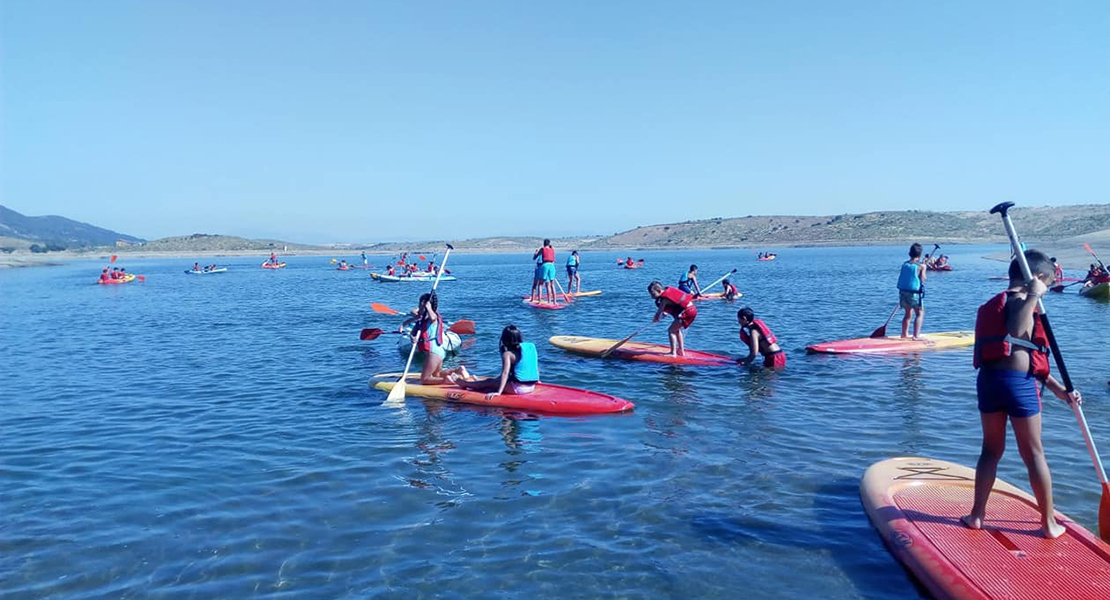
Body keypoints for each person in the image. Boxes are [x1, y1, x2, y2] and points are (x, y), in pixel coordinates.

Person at [963, 250, 1081, 539]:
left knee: (990, 451)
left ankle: (977, 515)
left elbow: (1030, 357)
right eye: (1049, 285)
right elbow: (1017, 330)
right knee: (1033, 453)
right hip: (1017, 385)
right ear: (1038, 279)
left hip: (990, 382)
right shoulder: (1022, 301)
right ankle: (1049, 524)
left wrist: (1059, 390)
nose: (1047, 293)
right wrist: (1034, 296)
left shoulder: (995, 303)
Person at [455, 325, 539, 399]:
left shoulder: (508, 354)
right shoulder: (530, 347)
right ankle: (479, 384)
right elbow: (534, 366)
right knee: (492, 382)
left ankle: (464, 383)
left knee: (489, 382)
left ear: (505, 339)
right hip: (531, 386)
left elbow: (505, 373)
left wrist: (499, 392)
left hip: (518, 389)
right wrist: (538, 381)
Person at [406, 293, 470, 385]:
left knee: (425, 379)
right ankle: (458, 370)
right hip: (440, 351)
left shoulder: (432, 316)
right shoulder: (423, 318)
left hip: (433, 352)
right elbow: (414, 313)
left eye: (419, 304)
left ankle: (446, 380)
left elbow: (433, 318)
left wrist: (427, 307)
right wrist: (412, 337)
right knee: (437, 374)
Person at [648, 280, 697, 357]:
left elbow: (658, 312)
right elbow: (672, 306)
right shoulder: (667, 294)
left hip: (687, 311)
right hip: (692, 309)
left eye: (653, 294)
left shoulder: (664, 299)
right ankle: (681, 350)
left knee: (671, 330)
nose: (652, 297)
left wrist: (656, 318)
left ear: (659, 291)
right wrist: (665, 313)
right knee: (676, 329)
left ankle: (673, 353)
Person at [897, 243, 927, 340]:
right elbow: (923, 279)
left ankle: (904, 334)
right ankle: (916, 336)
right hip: (914, 294)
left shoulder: (905, 264)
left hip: (903, 293)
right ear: (919, 254)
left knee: (908, 314)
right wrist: (924, 268)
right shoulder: (921, 266)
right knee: (920, 313)